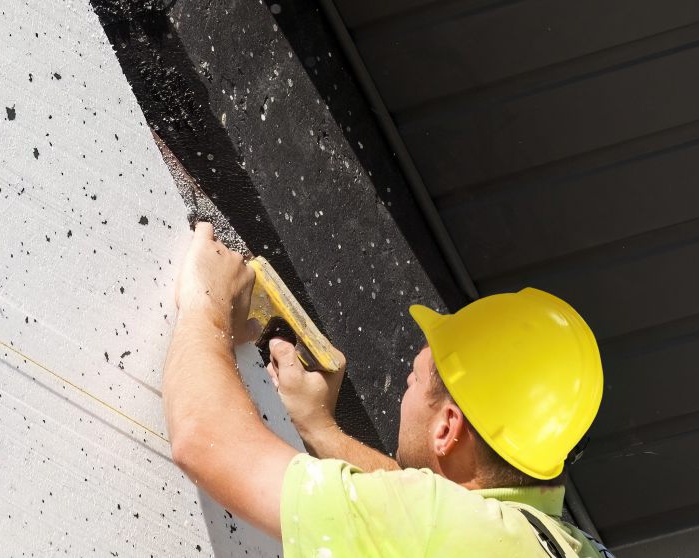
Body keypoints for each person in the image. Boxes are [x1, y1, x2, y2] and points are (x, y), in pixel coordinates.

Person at [162, 222, 612, 557]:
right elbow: (420, 516)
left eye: (414, 381)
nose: (407, 389)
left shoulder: (438, 530)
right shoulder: (570, 546)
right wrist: (321, 430)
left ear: (447, 428)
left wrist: (208, 301)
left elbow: (205, 441)